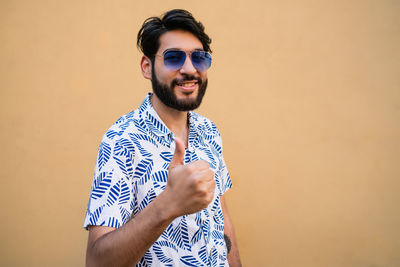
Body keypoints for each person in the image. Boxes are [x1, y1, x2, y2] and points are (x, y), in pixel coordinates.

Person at [84, 9, 241, 267]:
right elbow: (97, 262)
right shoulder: (122, 140)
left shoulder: (210, 131)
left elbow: (223, 220)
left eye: (199, 58)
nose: (189, 69)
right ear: (147, 67)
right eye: (173, 57)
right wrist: (167, 205)